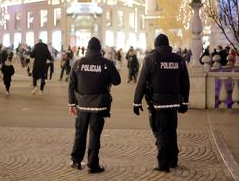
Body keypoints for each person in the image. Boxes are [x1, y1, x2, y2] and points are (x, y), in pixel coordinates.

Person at [133, 34, 190, 172]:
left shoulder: (150, 59)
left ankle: (163, 164)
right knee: (172, 131)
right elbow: (185, 83)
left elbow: (141, 82)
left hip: (157, 103)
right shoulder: (179, 59)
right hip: (174, 103)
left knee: (161, 132)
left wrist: (136, 102)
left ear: (156, 45)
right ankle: (173, 160)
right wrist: (185, 102)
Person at [68, 37, 121, 174]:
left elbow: (71, 85)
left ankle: (76, 161)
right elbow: (117, 81)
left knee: (80, 133)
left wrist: (71, 103)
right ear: (99, 49)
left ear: (87, 48)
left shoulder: (78, 63)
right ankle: (93, 164)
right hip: (99, 106)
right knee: (95, 135)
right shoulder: (106, 64)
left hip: (82, 105)